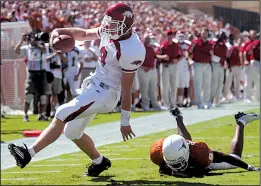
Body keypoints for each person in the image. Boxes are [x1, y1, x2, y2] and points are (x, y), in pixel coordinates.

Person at [8, 3, 146, 177]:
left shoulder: (133, 49)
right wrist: (59, 31)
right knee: (72, 132)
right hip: (94, 86)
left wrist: (125, 121)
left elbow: (127, 89)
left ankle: (28, 153)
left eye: (113, 23)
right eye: (108, 22)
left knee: (62, 112)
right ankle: (99, 161)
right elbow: (84, 34)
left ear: (125, 24)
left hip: (107, 93)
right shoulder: (110, 30)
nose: (108, 26)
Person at [150, 108, 260, 178]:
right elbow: (164, 168)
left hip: (199, 158)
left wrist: (248, 166)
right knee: (181, 140)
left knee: (235, 158)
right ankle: (178, 117)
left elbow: (223, 157)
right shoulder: (157, 151)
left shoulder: (200, 152)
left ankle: (241, 121)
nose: (177, 167)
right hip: (183, 150)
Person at [14, 32, 48, 122]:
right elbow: (16, 51)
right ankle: (25, 115)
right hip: (31, 73)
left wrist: (35, 43)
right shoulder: (26, 48)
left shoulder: (40, 45)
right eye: (28, 37)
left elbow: (44, 50)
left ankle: (42, 114)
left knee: (43, 96)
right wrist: (21, 40)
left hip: (41, 73)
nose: (29, 38)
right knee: (29, 95)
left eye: (31, 37)